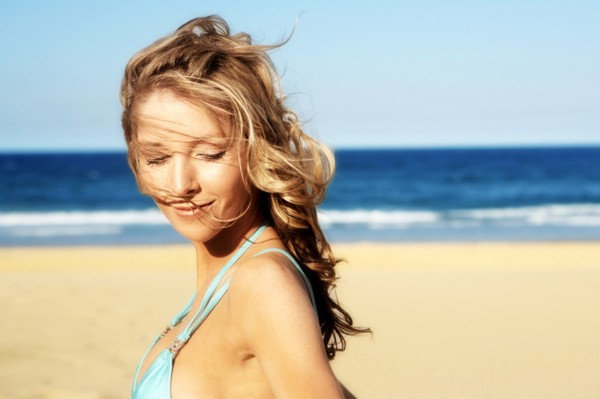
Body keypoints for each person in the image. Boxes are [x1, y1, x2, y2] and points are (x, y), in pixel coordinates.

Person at [120, 15, 368, 398]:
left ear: (259, 151)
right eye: (157, 158)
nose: (181, 183)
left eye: (211, 153)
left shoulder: (262, 282)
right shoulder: (231, 279)